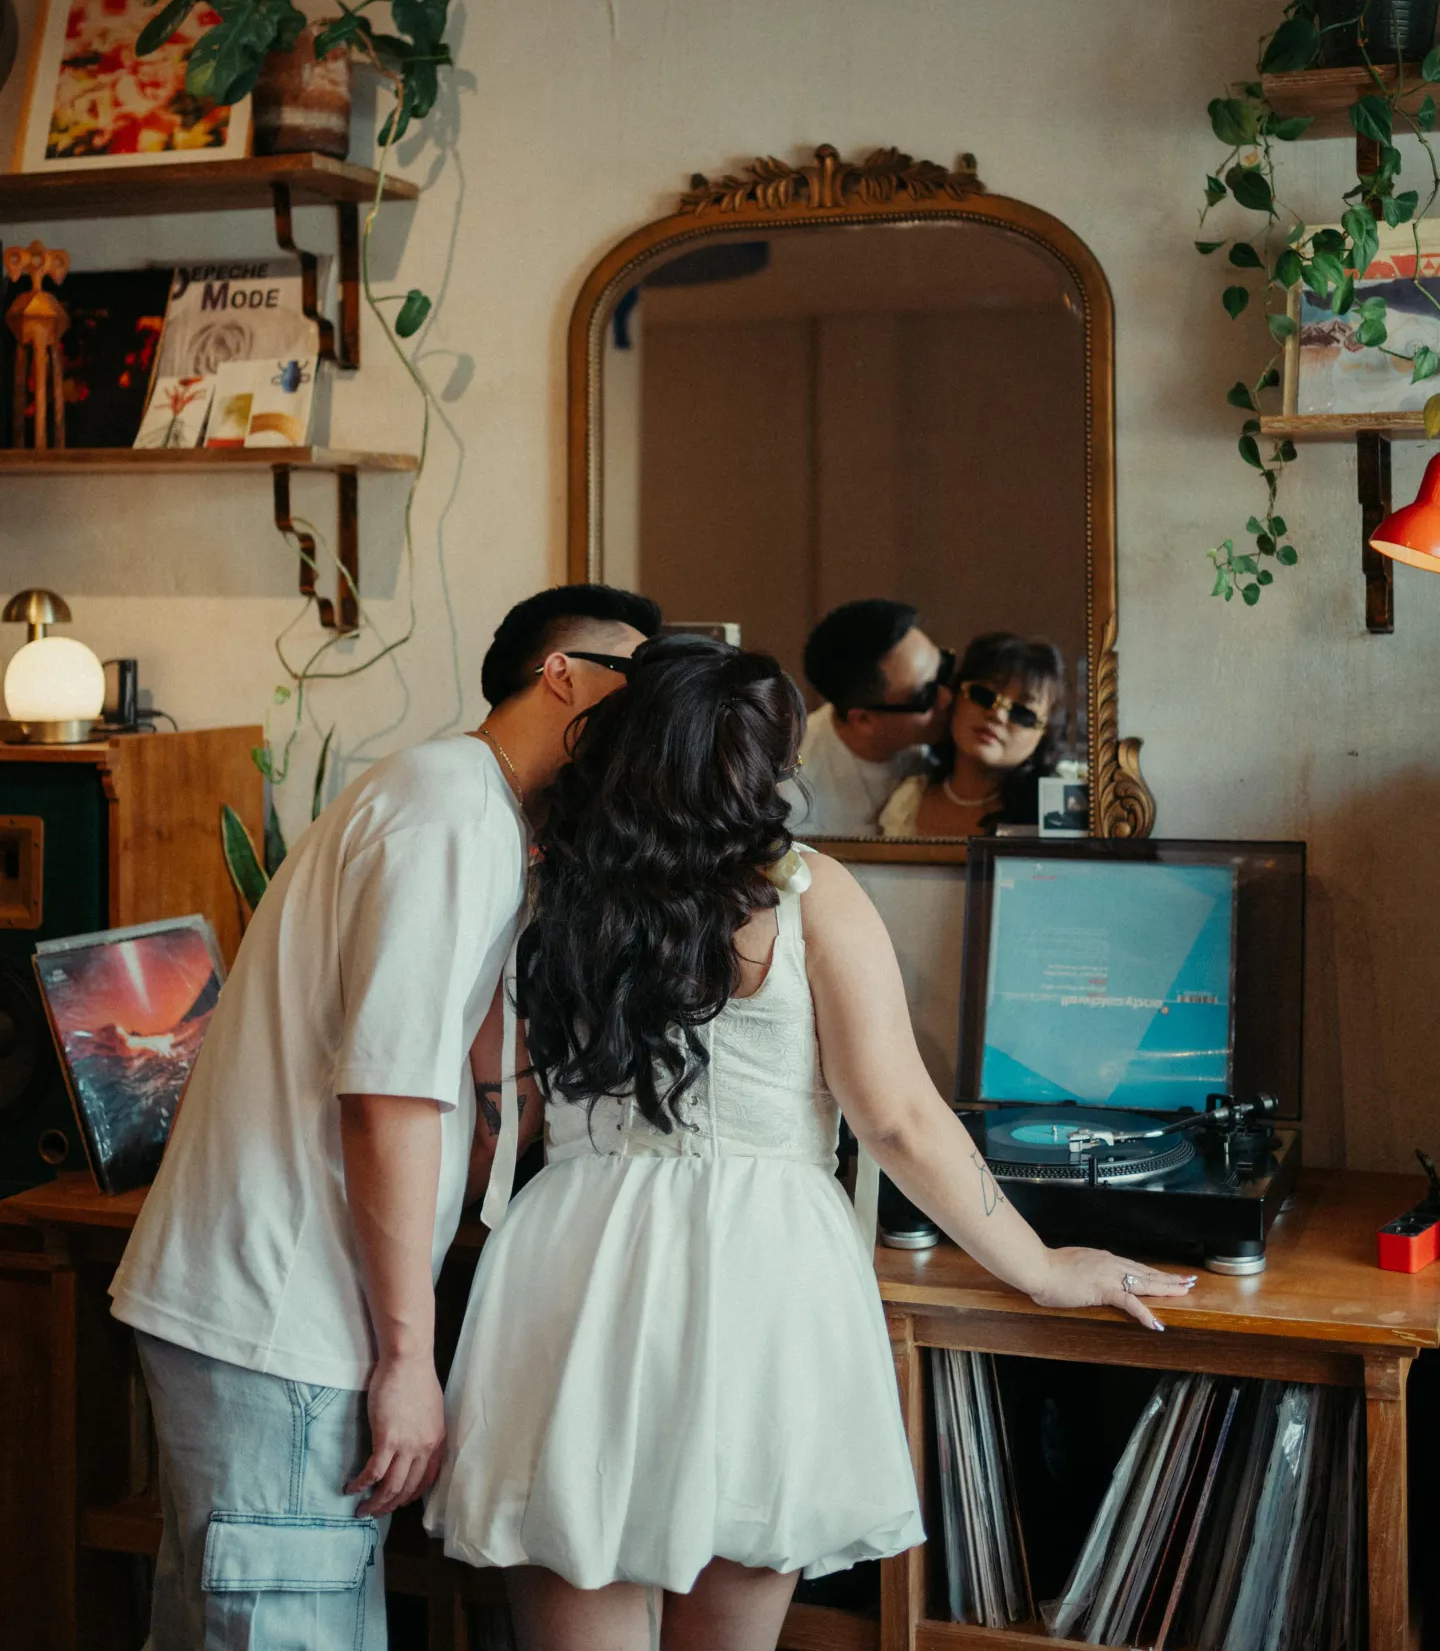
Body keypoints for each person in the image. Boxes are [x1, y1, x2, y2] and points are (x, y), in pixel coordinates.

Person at [426, 634, 1193, 1651]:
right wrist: (1042, 1265)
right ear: (763, 765)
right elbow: (898, 1118)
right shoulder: (806, 894)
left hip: (574, 1264)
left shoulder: (548, 890)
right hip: (760, 1272)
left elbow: (493, 1103)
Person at [109, 581, 660, 1651]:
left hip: (267, 1302)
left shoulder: (471, 809)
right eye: (639, 683)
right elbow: (389, 1097)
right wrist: (410, 1360)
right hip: (283, 1313)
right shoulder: (451, 814)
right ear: (563, 677)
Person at [784, 598, 954, 834]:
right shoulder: (795, 799)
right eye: (926, 696)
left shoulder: (958, 734)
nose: (947, 698)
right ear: (863, 720)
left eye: (945, 668)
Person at [881, 632, 1064, 840]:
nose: (997, 715)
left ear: (1044, 734)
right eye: (983, 695)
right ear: (954, 697)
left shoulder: (1053, 819)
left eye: (1022, 712)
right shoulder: (907, 799)